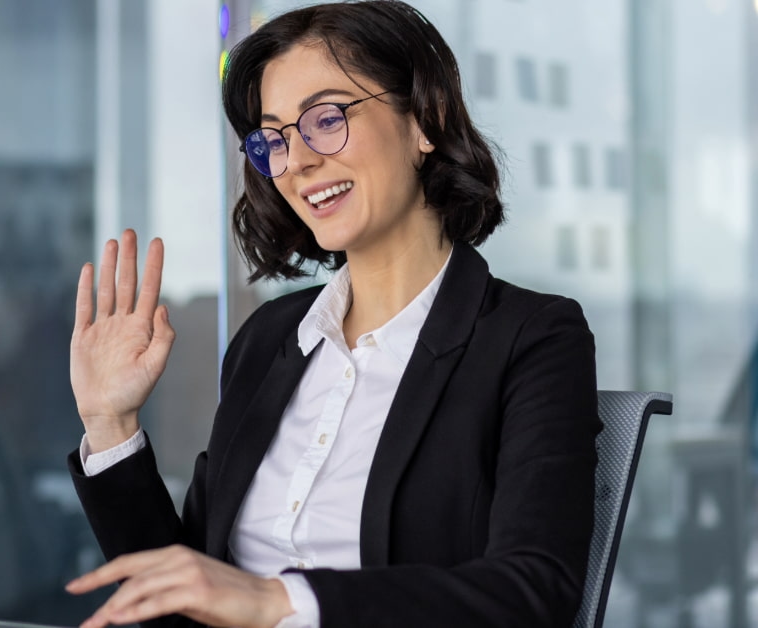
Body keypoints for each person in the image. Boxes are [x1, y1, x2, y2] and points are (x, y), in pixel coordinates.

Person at [64, 1, 600, 627]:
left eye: (326, 118)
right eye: (274, 139)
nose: (299, 162)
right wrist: (110, 425)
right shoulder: (269, 340)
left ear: (426, 119)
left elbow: (534, 591)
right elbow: (183, 598)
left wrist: (278, 600)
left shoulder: (531, 338)